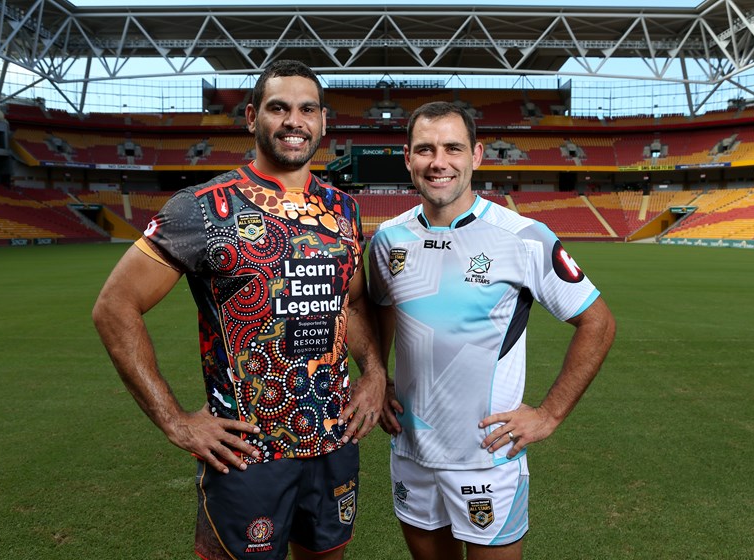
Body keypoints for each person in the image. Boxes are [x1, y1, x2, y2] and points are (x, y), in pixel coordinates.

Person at [93, 59, 386, 560]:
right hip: (248, 452)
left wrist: (375, 371)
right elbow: (115, 305)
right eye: (279, 108)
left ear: (322, 121)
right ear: (252, 117)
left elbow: (353, 301)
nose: (294, 120)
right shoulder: (202, 208)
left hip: (334, 441)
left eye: (307, 109)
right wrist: (175, 421)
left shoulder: (343, 208)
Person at [368, 101, 616, 560]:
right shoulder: (387, 239)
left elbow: (597, 321)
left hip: (489, 456)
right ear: (408, 158)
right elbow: (382, 307)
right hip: (411, 450)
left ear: (477, 155)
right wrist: (377, 377)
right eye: (425, 149)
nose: (438, 162)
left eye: (452, 148)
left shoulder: (524, 237)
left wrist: (549, 414)